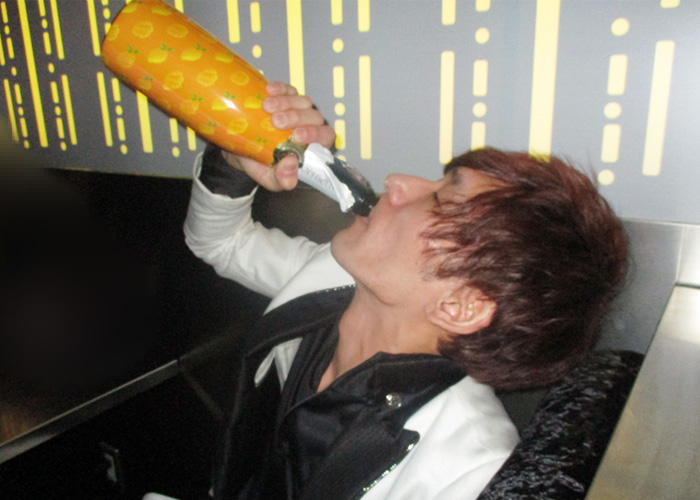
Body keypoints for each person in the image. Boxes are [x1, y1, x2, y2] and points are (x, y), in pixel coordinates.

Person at [184, 82, 628, 500]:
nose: (397, 180)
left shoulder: (469, 473)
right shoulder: (333, 276)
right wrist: (234, 161)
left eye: (441, 200)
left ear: (461, 307)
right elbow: (223, 242)